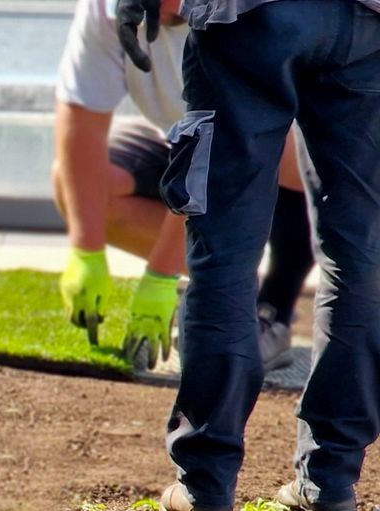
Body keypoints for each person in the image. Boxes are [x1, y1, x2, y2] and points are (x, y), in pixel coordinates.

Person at [128, 0, 379, 511]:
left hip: (252, 16)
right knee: (359, 254)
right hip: (368, 26)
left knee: (225, 253)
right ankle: (329, 482)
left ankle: (206, 484)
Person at [53, 0, 314, 371]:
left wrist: (160, 275)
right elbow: (82, 113)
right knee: (76, 184)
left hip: (278, 145)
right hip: (181, 141)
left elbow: (220, 144)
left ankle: (272, 307)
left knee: (287, 148)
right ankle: (234, 283)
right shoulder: (105, 8)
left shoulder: (238, 13)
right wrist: (86, 249)